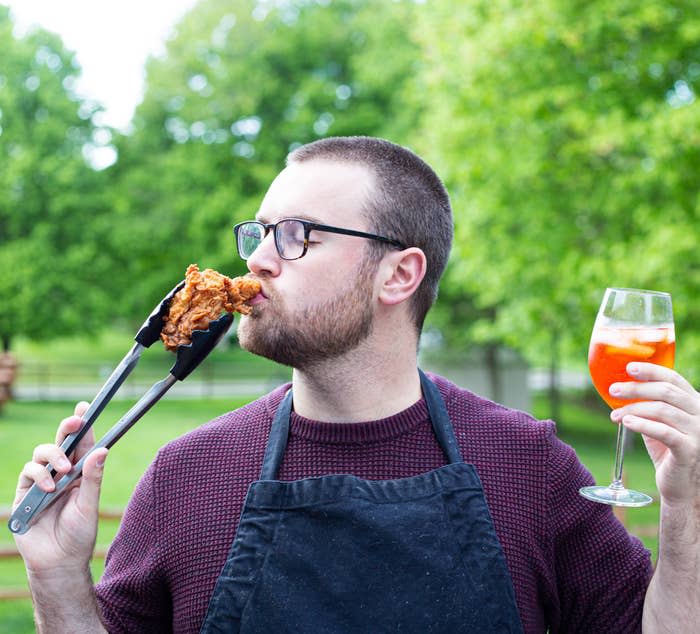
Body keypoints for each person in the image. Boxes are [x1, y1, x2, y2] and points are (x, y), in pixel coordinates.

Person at [13, 136, 700, 633]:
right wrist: (56, 576)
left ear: (398, 275)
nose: (256, 259)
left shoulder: (528, 464)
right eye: (259, 232)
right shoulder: (187, 475)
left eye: (297, 235)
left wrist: (688, 512)